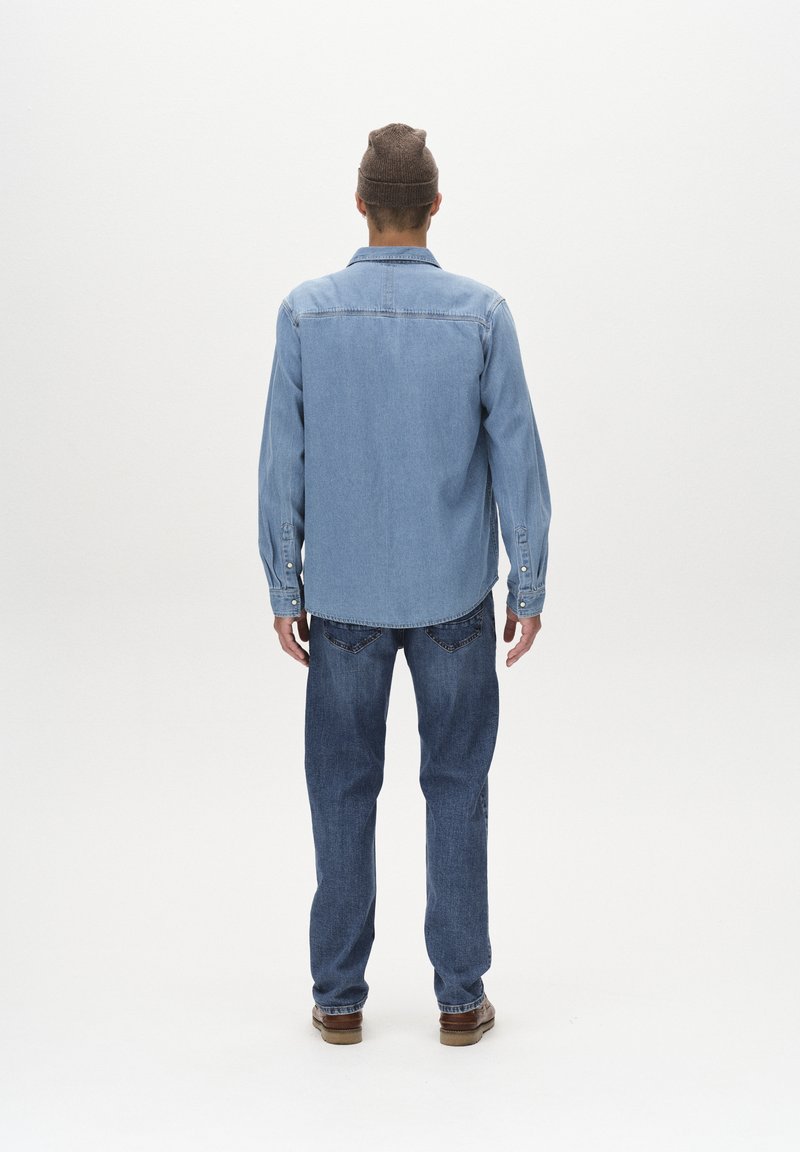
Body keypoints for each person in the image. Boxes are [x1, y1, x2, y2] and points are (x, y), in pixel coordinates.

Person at [258, 122, 552, 1046]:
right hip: (453, 600)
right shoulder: (482, 314)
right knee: (457, 785)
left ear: (360, 205)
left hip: (342, 600)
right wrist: (528, 583)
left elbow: (281, 462)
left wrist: (284, 585)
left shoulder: (306, 313)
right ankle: (461, 998)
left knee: (341, 790)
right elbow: (518, 456)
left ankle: (339, 1000)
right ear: (434, 206)